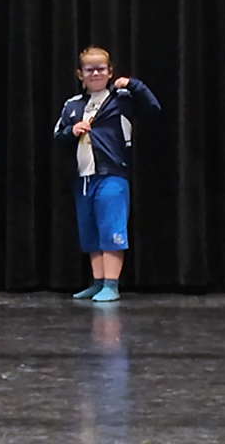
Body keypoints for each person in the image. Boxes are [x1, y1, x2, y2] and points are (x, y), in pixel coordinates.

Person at [52, 46, 160, 302]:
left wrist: (133, 84)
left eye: (101, 69)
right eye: (89, 69)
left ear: (110, 72)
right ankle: (98, 281)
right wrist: (71, 131)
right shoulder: (72, 105)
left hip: (112, 174)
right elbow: (58, 135)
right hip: (83, 178)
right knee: (90, 231)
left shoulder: (121, 100)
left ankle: (111, 284)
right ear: (80, 74)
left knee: (111, 227)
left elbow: (153, 107)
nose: (96, 73)